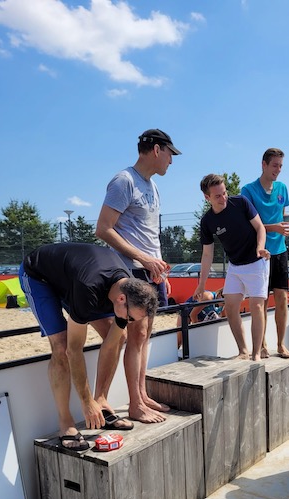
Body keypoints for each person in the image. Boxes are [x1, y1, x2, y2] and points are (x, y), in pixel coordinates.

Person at [18, 243, 158, 451]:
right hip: (40, 277)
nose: (128, 321)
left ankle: (101, 401)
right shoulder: (88, 288)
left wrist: (95, 399)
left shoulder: (126, 287)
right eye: (129, 317)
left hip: (76, 277)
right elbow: (74, 350)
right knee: (61, 346)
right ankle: (66, 422)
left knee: (119, 337)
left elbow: (113, 342)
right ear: (121, 299)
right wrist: (85, 402)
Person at [96, 128, 181, 423]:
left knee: (144, 337)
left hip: (151, 272)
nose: (171, 160)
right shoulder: (124, 181)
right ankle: (134, 404)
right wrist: (143, 258)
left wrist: (159, 268)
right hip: (130, 271)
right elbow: (103, 228)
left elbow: (148, 234)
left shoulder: (153, 186)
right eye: (170, 154)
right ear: (157, 150)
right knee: (135, 336)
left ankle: (142, 395)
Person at [194, 174, 270, 361]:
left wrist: (260, 247)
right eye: (218, 196)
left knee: (256, 307)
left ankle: (256, 353)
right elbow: (207, 254)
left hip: (256, 262)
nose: (223, 198)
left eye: (224, 193)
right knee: (230, 306)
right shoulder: (207, 221)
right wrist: (201, 284)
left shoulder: (241, 202)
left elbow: (260, 227)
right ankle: (243, 351)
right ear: (207, 198)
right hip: (235, 266)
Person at [241, 148, 289, 359]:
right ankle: (263, 344)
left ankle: (280, 344)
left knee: (282, 298)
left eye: (281, 166)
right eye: (274, 165)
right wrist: (274, 227)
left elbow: (280, 213)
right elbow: (248, 224)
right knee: (262, 301)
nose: (278, 170)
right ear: (263, 164)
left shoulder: (282, 188)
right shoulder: (247, 190)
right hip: (260, 251)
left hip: (280, 249)